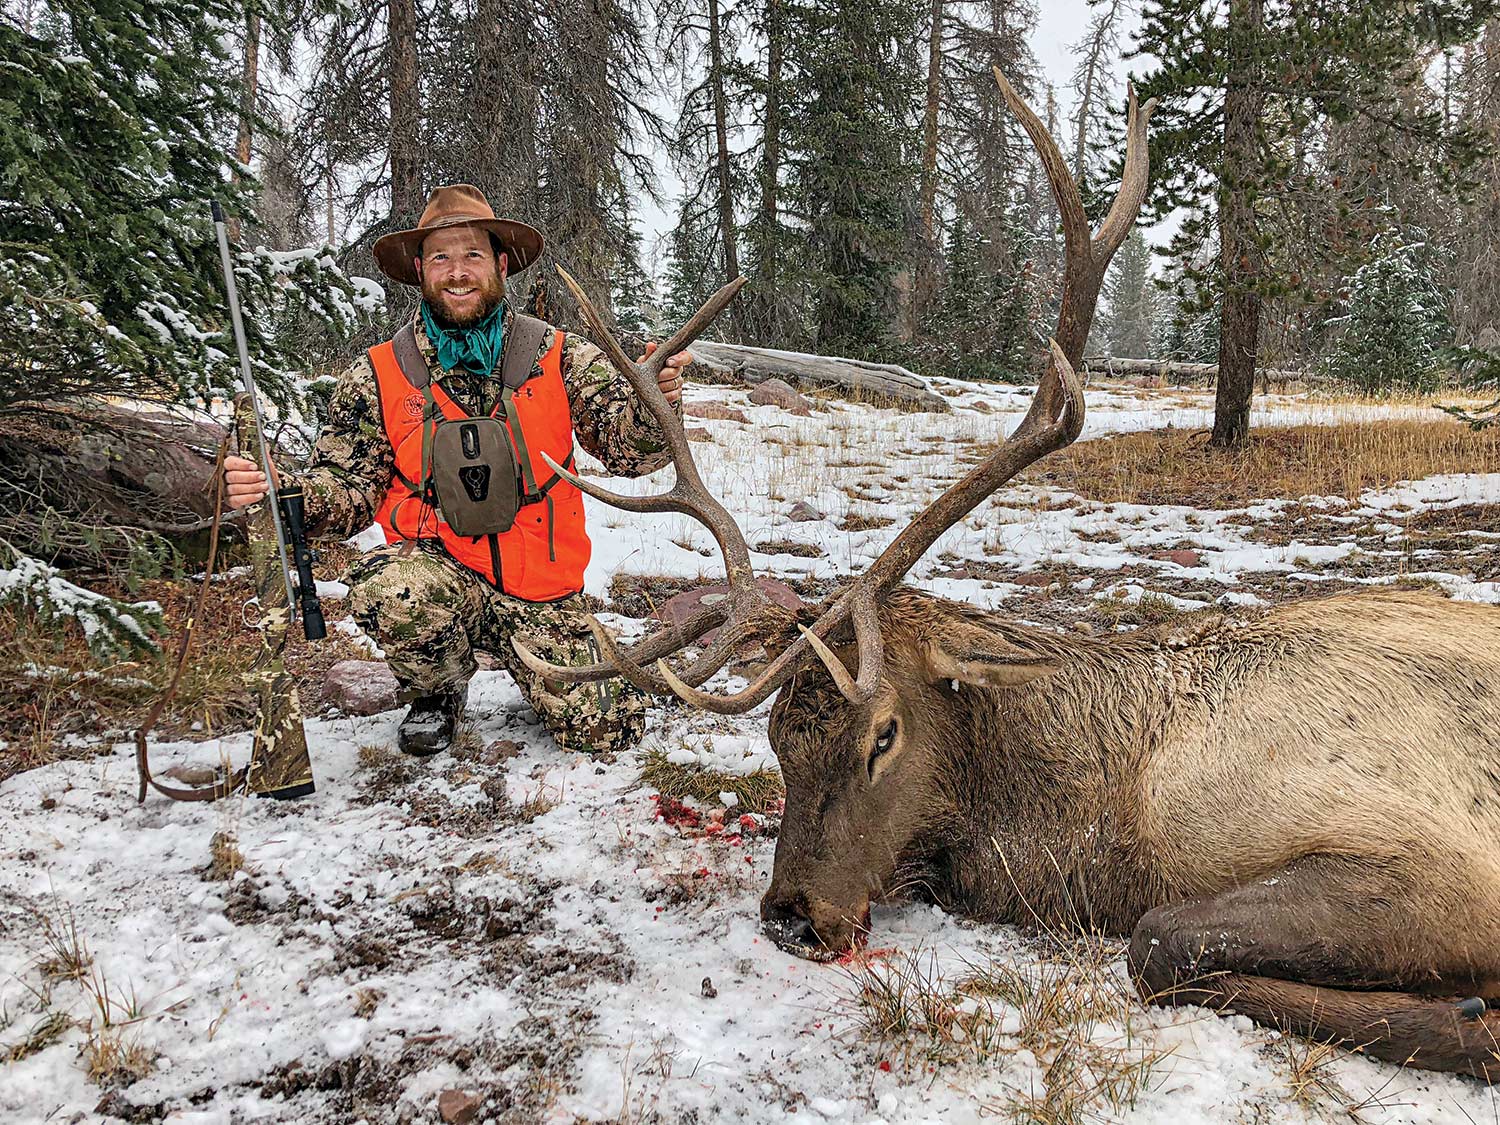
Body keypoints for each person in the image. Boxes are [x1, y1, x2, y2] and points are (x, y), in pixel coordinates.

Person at [223, 185, 690, 756]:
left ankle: (539, 662)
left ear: (499, 263)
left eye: (472, 255)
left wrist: (656, 401)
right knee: (393, 589)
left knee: (610, 731)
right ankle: (437, 688)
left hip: (540, 590)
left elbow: (632, 453)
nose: (458, 272)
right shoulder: (378, 373)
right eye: (441, 257)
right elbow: (347, 489)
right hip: (439, 575)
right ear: (420, 270)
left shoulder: (560, 356)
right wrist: (285, 489)